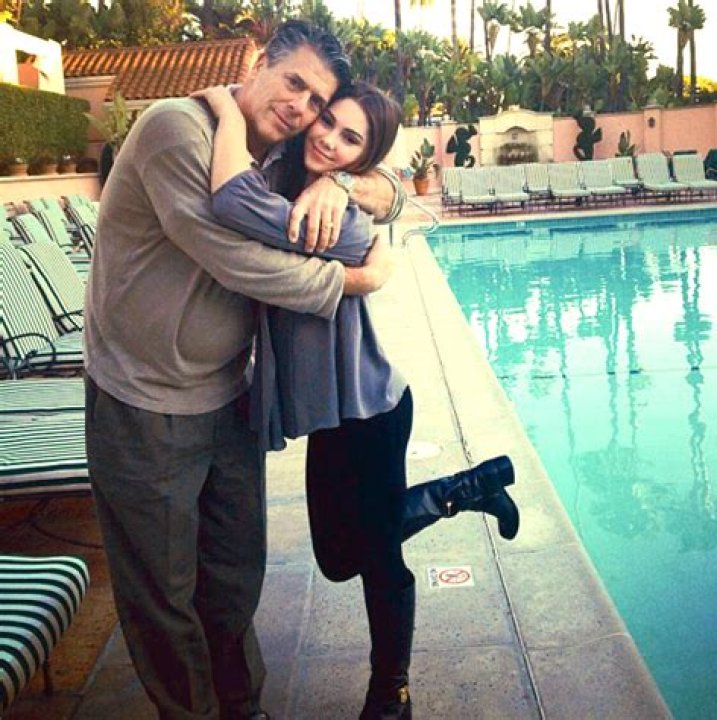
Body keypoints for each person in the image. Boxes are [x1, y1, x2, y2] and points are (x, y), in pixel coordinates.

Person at [84, 21, 405, 720]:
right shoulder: (177, 129)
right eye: (294, 83)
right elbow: (235, 258)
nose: (301, 108)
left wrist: (345, 186)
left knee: (232, 575)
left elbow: (388, 177)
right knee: (163, 594)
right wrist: (355, 279)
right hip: (145, 400)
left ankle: (243, 705)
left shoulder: (285, 150)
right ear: (258, 63)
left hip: (229, 394)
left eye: (316, 100)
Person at [193, 81, 520, 719]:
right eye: (329, 123)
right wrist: (337, 179)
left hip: (371, 412)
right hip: (333, 415)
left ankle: (391, 692)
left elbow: (231, 200)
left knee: (376, 559)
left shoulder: (333, 219)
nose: (329, 141)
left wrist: (228, 109)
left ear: (366, 156)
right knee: (337, 557)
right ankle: (467, 489)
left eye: (351, 141)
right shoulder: (289, 183)